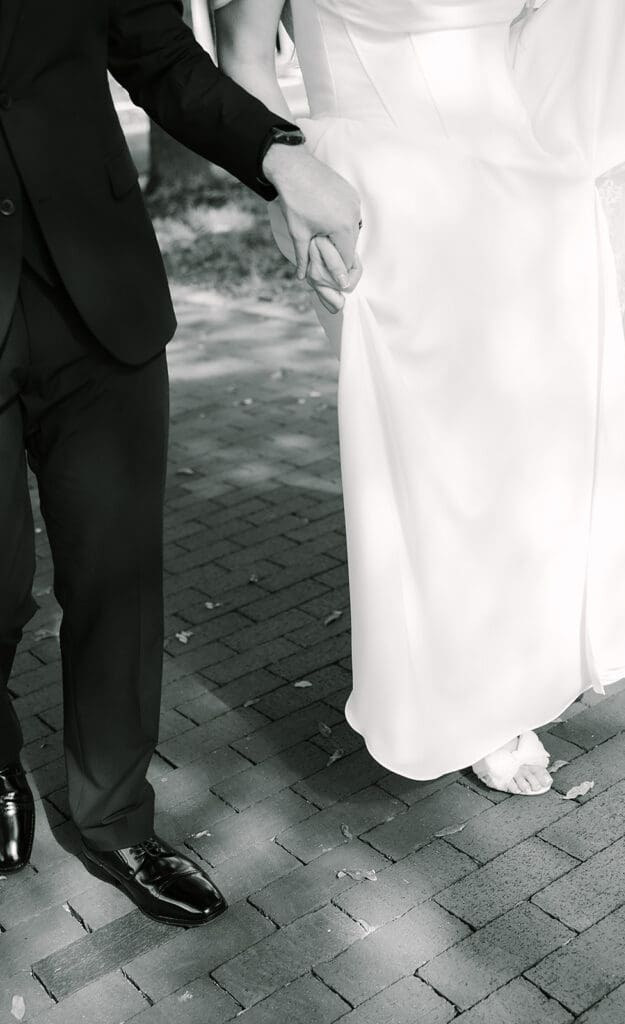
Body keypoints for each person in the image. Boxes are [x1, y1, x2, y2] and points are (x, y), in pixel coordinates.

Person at [214, 0, 625, 795]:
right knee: (438, 461)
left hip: (531, 191)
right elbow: (240, 41)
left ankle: (525, 665)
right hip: (388, 197)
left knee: (530, 450)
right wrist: (279, 188)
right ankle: (473, 702)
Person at [0, 0, 362, 927]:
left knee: (116, 577)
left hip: (96, 286)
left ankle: (115, 817)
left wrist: (281, 161)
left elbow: (159, 52)